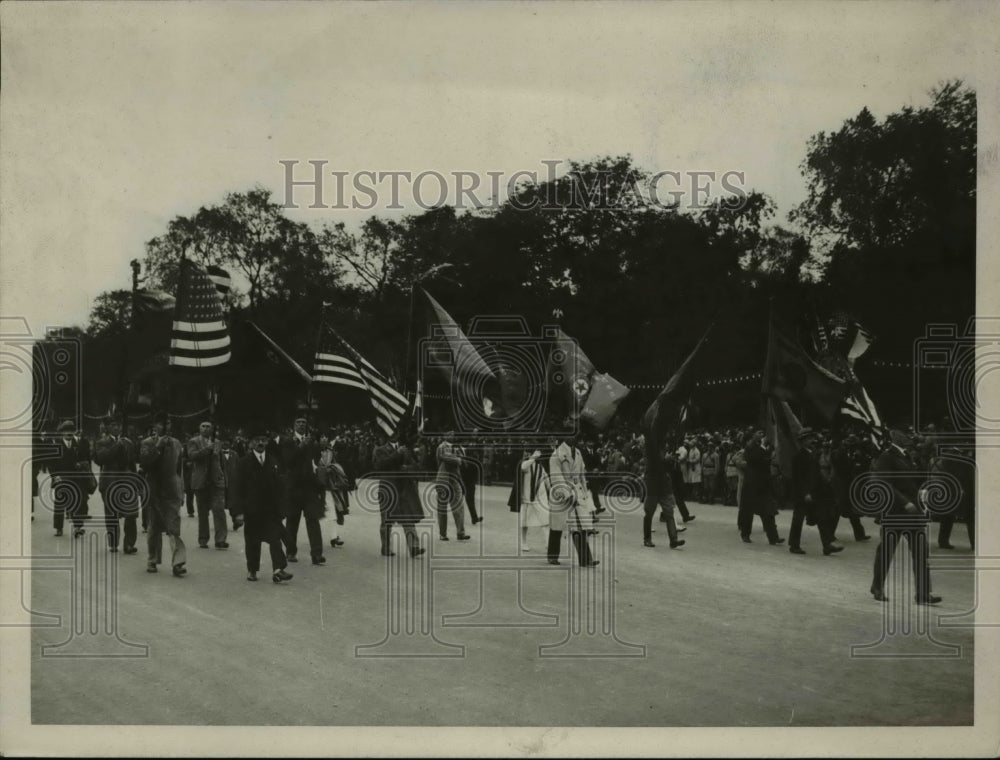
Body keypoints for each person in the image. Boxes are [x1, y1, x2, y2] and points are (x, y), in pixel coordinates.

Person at [868, 429, 939, 604]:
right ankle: (877, 586)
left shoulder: (909, 456)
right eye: (904, 434)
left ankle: (923, 594)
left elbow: (916, 480)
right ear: (894, 436)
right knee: (886, 551)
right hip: (895, 512)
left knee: (921, 552)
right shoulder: (886, 456)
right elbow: (885, 484)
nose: (908, 437)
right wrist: (904, 502)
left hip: (913, 514)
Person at [232, 425, 293, 583]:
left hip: (270, 510)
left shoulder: (273, 461)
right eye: (257, 440)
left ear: (267, 442)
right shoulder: (243, 462)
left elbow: (280, 487)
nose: (260, 443)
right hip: (251, 510)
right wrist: (238, 512)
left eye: (263, 440)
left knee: (275, 539)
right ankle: (252, 570)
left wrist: (282, 509)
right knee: (252, 542)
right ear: (251, 443)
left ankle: (278, 570)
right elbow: (237, 488)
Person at [139, 413, 187, 577]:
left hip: (172, 490)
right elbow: (145, 463)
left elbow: (179, 470)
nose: (166, 427)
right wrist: (158, 446)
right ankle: (152, 560)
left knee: (174, 528)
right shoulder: (147, 443)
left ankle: (178, 563)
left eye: (168, 423)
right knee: (154, 528)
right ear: (155, 427)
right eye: (162, 424)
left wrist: (182, 490)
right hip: (154, 491)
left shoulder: (177, 444)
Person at [371, 430, 426, 557]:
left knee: (408, 519)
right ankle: (386, 548)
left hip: (403, 489)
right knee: (387, 520)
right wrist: (397, 454)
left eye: (396, 432)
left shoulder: (405, 450)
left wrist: (408, 468)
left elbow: (414, 466)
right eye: (392, 432)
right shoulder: (380, 450)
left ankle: (414, 547)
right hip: (388, 489)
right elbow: (380, 465)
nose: (394, 434)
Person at [279, 416, 327, 565]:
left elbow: (317, 460)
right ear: (294, 425)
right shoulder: (287, 441)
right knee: (293, 521)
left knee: (313, 520)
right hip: (294, 487)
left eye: (304, 423)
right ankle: (291, 552)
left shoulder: (312, 442)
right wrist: (301, 447)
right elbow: (288, 461)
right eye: (298, 422)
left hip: (309, 487)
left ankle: (317, 554)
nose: (301, 425)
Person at [789, 428, 844, 556]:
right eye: (808, 439)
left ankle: (827, 545)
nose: (812, 440)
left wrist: (825, 487)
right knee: (798, 519)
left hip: (815, 493)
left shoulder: (812, 454)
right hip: (803, 494)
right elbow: (798, 478)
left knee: (822, 518)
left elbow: (815, 475)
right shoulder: (798, 456)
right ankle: (794, 545)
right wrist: (805, 493)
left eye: (811, 438)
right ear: (802, 441)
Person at [548, 433, 598, 567]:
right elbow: (556, 476)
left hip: (577, 490)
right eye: (570, 436)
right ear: (564, 437)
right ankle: (552, 556)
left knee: (579, 527)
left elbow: (582, 473)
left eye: (575, 436)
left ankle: (586, 559)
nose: (574, 438)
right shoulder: (557, 454)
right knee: (557, 527)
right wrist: (567, 494)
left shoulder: (578, 453)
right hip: (562, 493)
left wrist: (584, 492)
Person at [93, 416, 139, 554]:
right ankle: (113, 543)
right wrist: (117, 446)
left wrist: (136, 482)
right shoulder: (102, 442)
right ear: (107, 427)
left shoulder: (128, 443)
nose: (117, 427)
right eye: (113, 425)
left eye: (119, 425)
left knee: (131, 513)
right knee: (112, 514)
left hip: (127, 483)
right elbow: (101, 459)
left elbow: (132, 464)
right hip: (110, 483)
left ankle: (129, 544)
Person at [187, 420, 229, 549]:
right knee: (203, 512)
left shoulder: (217, 443)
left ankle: (220, 539)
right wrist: (206, 449)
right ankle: (203, 539)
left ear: (212, 429)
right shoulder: (193, 442)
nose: (205, 428)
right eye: (203, 426)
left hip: (216, 481)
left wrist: (225, 479)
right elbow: (192, 456)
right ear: (199, 428)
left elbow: (221, 461)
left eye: (208, 426)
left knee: (219, 510)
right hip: (201, 481)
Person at [737, 431, 784, 545]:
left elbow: (766, 460)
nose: (761, 435)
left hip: (763, 485)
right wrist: (763, 445)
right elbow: (756, 458)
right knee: (748, 512)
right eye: (757, 433)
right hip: (751, 485)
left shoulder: (759, 448)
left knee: (768, 512)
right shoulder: (748, 449)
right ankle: (745, 534)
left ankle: (773, 537)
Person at [51, 420, 93, 538]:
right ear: (62, 433)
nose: (69, 433)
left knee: (77, 503)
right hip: (61, 477)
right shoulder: (56, 445)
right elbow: (51, 463)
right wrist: (55, 476)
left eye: (71, 431)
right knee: (60, 503)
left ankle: (78, 527)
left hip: (76, 478)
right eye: (66, 431)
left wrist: (81, 464)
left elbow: (85, 458)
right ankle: (59, 528)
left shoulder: (78, 445)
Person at [507, 449, 550, 553]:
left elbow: (547, 480)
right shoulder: (524, 464)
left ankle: (548, 543)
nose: (525, 454)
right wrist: (533, 457)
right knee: (524, 523)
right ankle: (523, 542)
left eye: (528, 452)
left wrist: (553, 491)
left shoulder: (540, 467)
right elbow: (523, 466)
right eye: (525, 452)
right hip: (526, 499)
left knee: (546, 520)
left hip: (539, 499)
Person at [643, 444, 685, 549]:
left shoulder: (663, 459)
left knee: (669, 515)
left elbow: (669, 469)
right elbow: (655, 467)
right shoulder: (651, 459)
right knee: (649, 515)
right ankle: (647, 539)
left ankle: (673, 540)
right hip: (653, 490)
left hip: (664, 490)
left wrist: (670, 460)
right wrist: (667, 460)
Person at [435, 433, 471, 541]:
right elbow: (446, 457)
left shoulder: (457, 447)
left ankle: (460, 533)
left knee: (459, 507)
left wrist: (460, 457)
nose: (452, 435)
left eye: (453, 433)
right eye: (449, 433)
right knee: (442, 508)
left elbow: (464, 459)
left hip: (455, 479)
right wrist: (458, 459)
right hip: (444, 479)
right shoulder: (442, 446)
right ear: (444, 435)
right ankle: (443, 534)